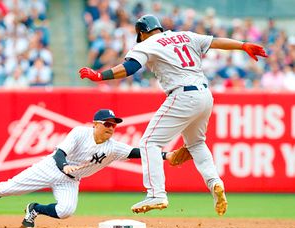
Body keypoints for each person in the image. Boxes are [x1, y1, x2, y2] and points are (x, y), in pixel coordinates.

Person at [79, 14, 268, 216]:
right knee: (196, 143)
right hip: (205, 94)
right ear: (159, 27)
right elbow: (215, 41)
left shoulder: (147, 43)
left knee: (148, 143)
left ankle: (156, 193)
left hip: (182, 95)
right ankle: (214, 182)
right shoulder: (185, 35)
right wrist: (243, 45)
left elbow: (130, 67)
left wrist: (101, 75)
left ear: (142, 33)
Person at [0, 109, 183, 228]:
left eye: (115, 124)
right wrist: (65, 167)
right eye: (108, 124)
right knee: (8, 189)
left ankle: (34, 209)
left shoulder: (113, 147)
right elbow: (60, 153)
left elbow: (136, 152)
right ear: (96, 124)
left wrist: (165, 155)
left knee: (66, 211)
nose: (112, 127)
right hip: (51, 167)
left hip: (70, 180)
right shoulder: (81, 132)